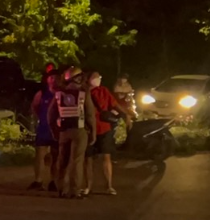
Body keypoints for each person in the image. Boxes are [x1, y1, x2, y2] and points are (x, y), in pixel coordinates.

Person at [49, 67, 96, 199]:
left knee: (62, 160)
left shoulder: (58, 94)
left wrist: (54, 131)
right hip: (79, 130)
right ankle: (74, 191)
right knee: (77, 161)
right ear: (79, 77)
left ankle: (61, 189)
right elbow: (90, 115)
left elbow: (51, 115)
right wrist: (93, 132)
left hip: (63, 131)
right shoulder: (83, 93)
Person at [85, 71, 133, 195]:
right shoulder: (83, 92)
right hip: (88, 129)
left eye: (99, 77)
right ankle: (87, 187)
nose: (98, 79)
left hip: (104, 128)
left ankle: (109, 185)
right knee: (88, 159)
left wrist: (125, 115)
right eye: (95, 77)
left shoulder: (103, 91)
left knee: (106, 156)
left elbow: (115, 104)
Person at [28, 71, 59, 192]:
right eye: (51, 77)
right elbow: (35, 106)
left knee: (56, 156)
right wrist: (41, 118)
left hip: (57, 129)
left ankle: (54, 181)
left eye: (56, 77)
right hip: (44, 128)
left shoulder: (61, 93)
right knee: (40, 154)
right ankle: (38, 180)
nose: (54, 80)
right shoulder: (42, 93)